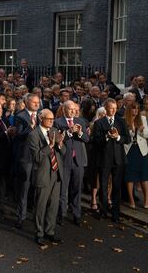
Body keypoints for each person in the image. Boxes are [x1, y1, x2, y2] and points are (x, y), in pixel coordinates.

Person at [28, 109, 65, 246]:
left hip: (56, 174)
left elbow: (64, 152)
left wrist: (60, 144)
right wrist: (49, 146)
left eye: (52, 119)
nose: (51, 121)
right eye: (48, 119)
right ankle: (39, 233)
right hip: (43, 174)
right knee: (40, 206)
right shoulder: (34, 135)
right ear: (41, 118)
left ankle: (50, 231)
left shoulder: (54, 131)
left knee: (53, 206)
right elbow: (37, 157)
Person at [93, 98, 131, 223]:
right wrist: (107, 137)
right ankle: (103, 211)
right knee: (103, 186)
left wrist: (118, 137)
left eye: (115, 108)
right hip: (104, 159)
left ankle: (115, 213)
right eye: (111, 108)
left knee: (116, 186)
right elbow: (96, 141)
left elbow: (127, 139)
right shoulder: (99, 123)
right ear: (106, 108)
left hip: (119, 159)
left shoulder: (121, 121)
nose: (114, 110)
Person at [54, 100, 89, 226]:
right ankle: (61, 215)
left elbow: (86, 139)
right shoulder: (58, 122)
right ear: (64, 110)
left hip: (78, 161)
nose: (73, 111)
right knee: (63, 190)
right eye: (70, 109)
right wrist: (68, 132)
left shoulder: (80, 121)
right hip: (64, 161)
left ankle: (76, 214)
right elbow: (57, 142)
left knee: (77, 189)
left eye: (75, 109)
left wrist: (79, 133)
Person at [13, 93, 40, 228]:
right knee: (24, 188)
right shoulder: (20, 116)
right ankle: (21, 217)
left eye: (38, 102)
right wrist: (30, 127)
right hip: (26, 157)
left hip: (39, 157)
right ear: (27, 102)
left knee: (37, 187)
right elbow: (18, 134)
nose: (36, 104)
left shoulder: (42, 115)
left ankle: (36, 216)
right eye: (34, 102)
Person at [123, 102, 148, 209]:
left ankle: (147, 199)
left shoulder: (142, 118)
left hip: (141, 150)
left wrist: (140, 132)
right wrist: (134, 131)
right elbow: (125, 136)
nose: (136, 111)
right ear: (130, 110)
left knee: (144, 174)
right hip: (129, 150)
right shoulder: (124, 120)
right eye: (134, 109)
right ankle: (131, 200)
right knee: (130, 176)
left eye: (137, 109)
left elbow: (147, 134)